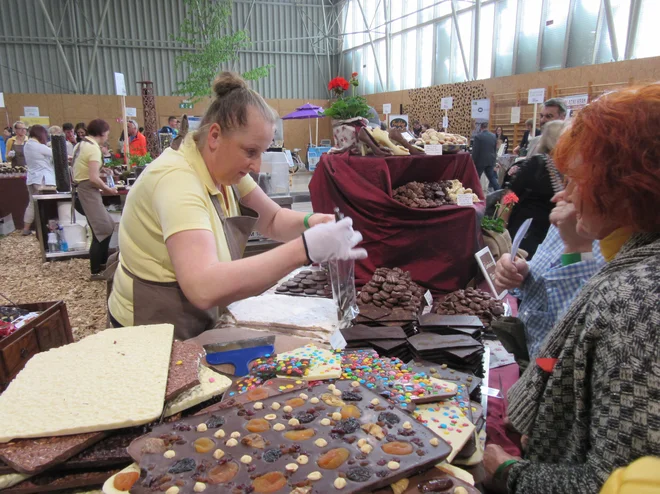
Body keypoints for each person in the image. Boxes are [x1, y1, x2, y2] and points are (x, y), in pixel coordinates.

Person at [484, 84, 660, 494]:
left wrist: (511, 475)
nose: (564, 193)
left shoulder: (637, 299)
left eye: (579, 180)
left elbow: (608, 479)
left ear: (626, 188)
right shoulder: (630, 261)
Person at [107, 72, 367, 339]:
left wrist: (311, 223)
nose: (256, 165)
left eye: (262, 152)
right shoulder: (177, 181)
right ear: (215, 136)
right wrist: (305, 249)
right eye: (250, 152)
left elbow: (272, 219)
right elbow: (203, 287)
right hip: (150, 331)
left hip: (195, 319)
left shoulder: (224, 172)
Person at [494, 201, 605, 360]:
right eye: (566, 182)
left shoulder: (625, 246)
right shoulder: (570, 215)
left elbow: (563, 344)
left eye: (578, 183)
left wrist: (576, 249)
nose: (562, 195)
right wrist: (525, 272)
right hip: (528, 353)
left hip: (547, 367)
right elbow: (551, 268)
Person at [506, 120, 565, 258]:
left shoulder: (567, 166)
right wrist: (501, 226)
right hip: (528, 230)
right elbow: (511, 193)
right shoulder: (538, 163)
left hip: (549, 232)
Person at [72, 119, 118, 280]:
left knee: (106, 226)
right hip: (88, 191)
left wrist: (101, 169)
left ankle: (103, 265)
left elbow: (83, 168)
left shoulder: (81, 144)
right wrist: (108, 189)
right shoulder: (93, 149)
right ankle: (97, 270)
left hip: (81, 189)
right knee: (103, 229)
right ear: (103, 133)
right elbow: (92, 178)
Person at [22, 125, 56, 235]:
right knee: (46, 205)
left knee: (32, 204)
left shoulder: (27, 145)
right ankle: (45, 229)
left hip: (31, 178)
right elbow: (56, 153)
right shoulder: (38, 146)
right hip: (42, 179)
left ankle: (26, 229)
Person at [471, 122, 500, 191]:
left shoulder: (478, 137)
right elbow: (494, 150)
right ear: (487, 127)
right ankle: (499, 191)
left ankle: (476, 193)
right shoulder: (493, 136)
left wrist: (473, 161)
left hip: (480, 161)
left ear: (481, 128)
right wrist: (494, 161)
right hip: (490, 160)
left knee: (476, 178)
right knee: (492, 178)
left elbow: (475, 151)